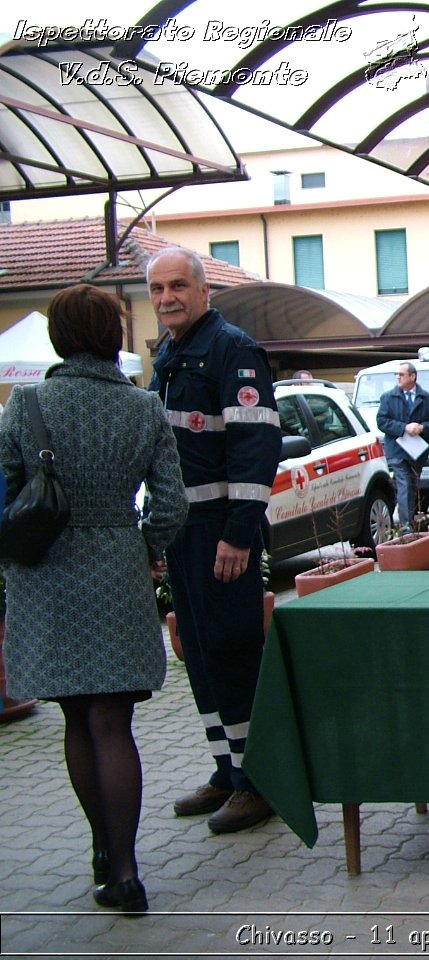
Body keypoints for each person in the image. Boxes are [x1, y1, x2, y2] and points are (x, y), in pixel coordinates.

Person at [0, 285, 188, 914]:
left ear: (59, 337)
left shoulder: (25, 404)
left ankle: (102, 850)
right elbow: (172, 504)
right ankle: (129, 870)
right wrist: (148, 548)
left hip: (47, 573)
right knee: (115, 720)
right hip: (116, 566)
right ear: (112, 334)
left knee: (77, 717)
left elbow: (6, 499)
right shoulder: (144, 408)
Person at [146, 248, 281, 835]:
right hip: (182, 534)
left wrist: (238, 535)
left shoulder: (233, 351)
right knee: (199, 656)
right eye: (156, 289)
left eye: (178, 285)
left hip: (222, 534)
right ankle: (227, 770)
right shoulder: (171, 357)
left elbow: (255, 450)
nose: (166, 297)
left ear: (204, 292)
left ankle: (260, 783)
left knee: (232, 652)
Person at [376, 361, 429, 532]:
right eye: (396, 375)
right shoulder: (388, 398)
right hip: (397, 449)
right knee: (404, 482)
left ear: (412, 376)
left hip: (417, 450)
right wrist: (404, 428)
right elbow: (382, 422)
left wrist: (422, 427)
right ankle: (406, 525)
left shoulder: (428, 399)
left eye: (401, 375)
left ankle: (410, 519)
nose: (398, 377)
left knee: (412, 484)